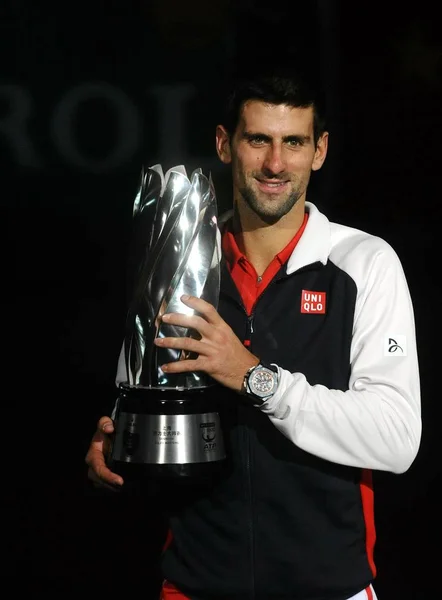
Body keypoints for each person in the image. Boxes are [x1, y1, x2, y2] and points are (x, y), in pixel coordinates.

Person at [85, 66, 421, 600]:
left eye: (293, 142)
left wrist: (256, 378)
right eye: (257, 140)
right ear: (225, 145)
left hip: (329, 589)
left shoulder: (364, 263)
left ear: (319, 151)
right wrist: (120, 443)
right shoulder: (184, 263)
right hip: (195, 585)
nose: (274, 163)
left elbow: (396, 440)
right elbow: (150, 402)